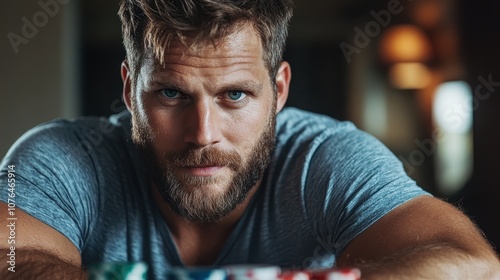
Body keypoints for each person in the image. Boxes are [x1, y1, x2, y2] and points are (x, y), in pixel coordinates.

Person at [1, 0, 499, 279]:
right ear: (131, 89)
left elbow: (474, 267)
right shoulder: (59, 157)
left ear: (278, 90)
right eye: (172, 93)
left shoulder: (327, 157)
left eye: (235, 95)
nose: (203, 133)